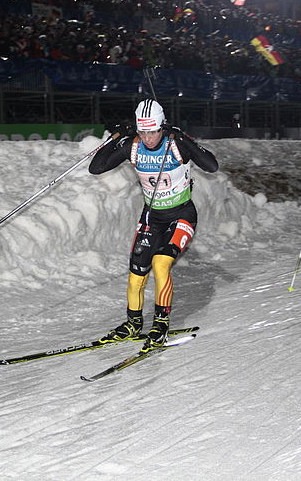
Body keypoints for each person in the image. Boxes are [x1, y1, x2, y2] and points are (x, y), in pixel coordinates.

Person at [88, 98, 219, 353]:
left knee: (161, 263)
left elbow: (212, 165)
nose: (148, 138)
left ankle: (160, 324)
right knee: (136, 273)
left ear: (162, 126)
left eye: (153, 131)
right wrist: (116, 138)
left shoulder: (176, 144)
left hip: (181, 215)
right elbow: (97, 167)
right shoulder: (134, 146)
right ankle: (133, 324)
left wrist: (184, 138)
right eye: (143, 132)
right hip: (151, 217)